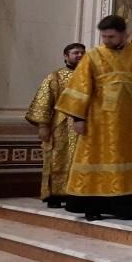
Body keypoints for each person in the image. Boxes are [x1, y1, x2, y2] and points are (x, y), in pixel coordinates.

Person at [55, 15, 132, 221]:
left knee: (128, 162)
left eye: (111, 36)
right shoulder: (93, 56)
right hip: (98, 121)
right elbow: (80, 87)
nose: (107, 40)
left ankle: (126, 207)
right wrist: (78, 117)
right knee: (96, 161)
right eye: (104, 37)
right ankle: (93, 207)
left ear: (123, 34)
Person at [25, 43, 86, 208]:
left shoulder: (88, 76)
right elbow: (43, 102)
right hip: (60, 125)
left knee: (80, 160)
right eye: (76, 53)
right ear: (66, 56)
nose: (80, 55)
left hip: (83, 126)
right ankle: (55, 195)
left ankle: (77, 195)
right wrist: (43, 126)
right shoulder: (55, 77)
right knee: (57, 159)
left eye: (82, 53)